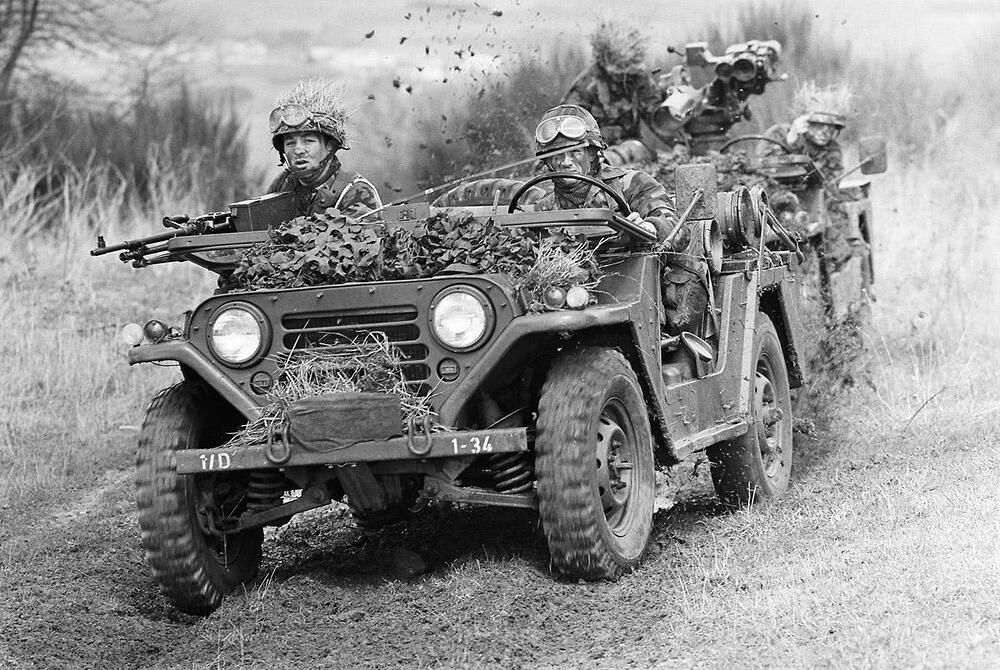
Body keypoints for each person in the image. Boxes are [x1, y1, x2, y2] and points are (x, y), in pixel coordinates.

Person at [533, 104, 707, 334]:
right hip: (567, 302)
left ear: (594, 153)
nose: (565, 162)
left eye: (575, 152)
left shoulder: (631, 184)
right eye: (557, 156)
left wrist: (648, 227)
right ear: (547, 162)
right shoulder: (543, 207)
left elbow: (678, 229)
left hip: (637, 293)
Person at [763, 82, 854, 266]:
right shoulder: (779, 133)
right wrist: (792, 140)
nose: (825, 132)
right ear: (805, 122)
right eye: (818, 125)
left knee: (833, 218)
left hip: (810, 206)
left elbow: (826, 186)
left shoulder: (832, 150)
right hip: (774, 201)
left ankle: (831, 266)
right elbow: (764, 169)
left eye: (831, 128)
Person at [267, 79, 382, 218]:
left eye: (308, 141)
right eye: (290, 143)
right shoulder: (281, 186)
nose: (298, 150)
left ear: (330, 146)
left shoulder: (355, 191)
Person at [560, 22, 664, 147]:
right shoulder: (586, 86)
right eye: (620, 70)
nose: (625, 76)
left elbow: (658, 118)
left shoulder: (639, 79)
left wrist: (679, 143)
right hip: (594, 153)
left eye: (629, 70)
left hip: (631, 150)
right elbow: (565, 129)